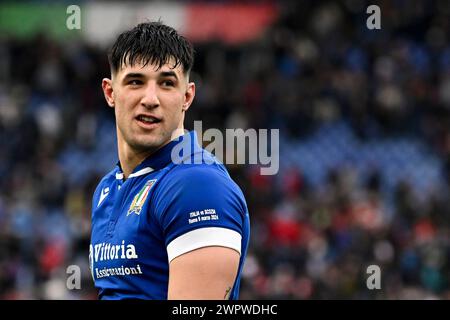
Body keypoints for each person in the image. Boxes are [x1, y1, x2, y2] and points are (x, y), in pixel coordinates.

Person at [89, 21, 250, 300]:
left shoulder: (197, 186)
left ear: (187, 96)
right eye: (136, 81)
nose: (150, 99)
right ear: (110, 92)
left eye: (166, 83)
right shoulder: (107, 188)